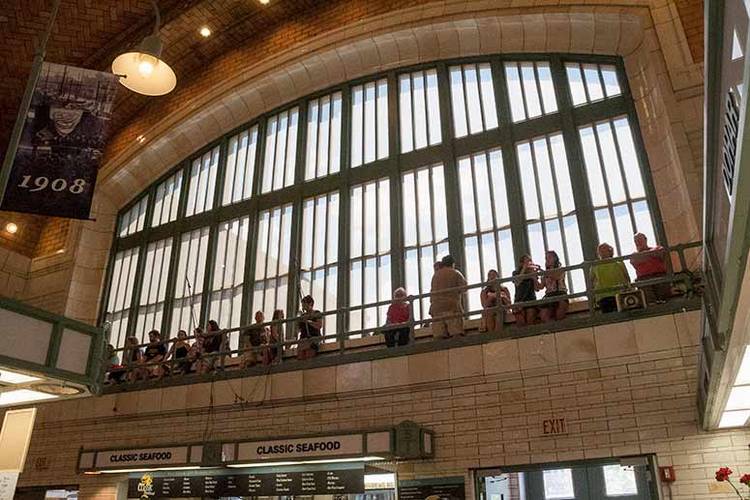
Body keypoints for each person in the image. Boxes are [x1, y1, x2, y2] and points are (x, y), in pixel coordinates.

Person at [429, 255, 467, 339]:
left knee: (439, 337)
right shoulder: (455, 273)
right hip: (451, 307)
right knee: (456, 334)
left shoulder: (435, 275)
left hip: (436, 308)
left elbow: (432, 292)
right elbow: (464, 288)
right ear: (453, 264)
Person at [630, 232, 671, 304]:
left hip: (660, 276)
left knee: (665, 300)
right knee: (650, 303)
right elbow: (634, 260)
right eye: (636, 241)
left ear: (645, 239)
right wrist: (651, 255)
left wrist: (643, 256)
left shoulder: (657, 248)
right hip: (643, 280)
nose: (638, 242)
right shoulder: (634, 255)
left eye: (639, 239)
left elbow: (660, 253)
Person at [591, 243, 631, 313]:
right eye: (600, 251)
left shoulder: (618, 262)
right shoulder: (595, 265)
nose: (602, 252)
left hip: (619, 293)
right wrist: (593, 297)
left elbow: (626, 277)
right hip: (603, 296)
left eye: (604, 250)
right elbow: (591, 281)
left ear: (610, 251)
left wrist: (628, 289)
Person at [539, 251, 569, 322]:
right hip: (549, 295)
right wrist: (533, 277)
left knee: (560, 314)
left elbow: (556, 277)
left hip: (560, 293)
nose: (547, 260)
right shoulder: (545, 273)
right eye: (546, 258)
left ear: (555, 259)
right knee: (543, 315)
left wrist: (543, 272)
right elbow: (540, 287)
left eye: (549, 257)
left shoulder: (560, 269)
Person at [512, 255, 542, 326]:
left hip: (530, 299)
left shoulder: (532, 273)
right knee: (520, 322)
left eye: (530, 261)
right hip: (519, 300)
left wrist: (534, 276)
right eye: (527, 261)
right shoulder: (516, 273)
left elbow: (537, 288)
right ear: (521, 263)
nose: (529, 263)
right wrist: (524, 269)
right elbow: (517, 282)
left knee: (530, 319)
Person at [297, 296, 323, 360]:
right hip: (303, 338)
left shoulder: (317, 313)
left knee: (309, 355)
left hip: (313, 337)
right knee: (300, 357)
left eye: (304, 304)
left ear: (310, 304)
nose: (303, 306)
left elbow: (319, 326)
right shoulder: (303, 315)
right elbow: (298, 329)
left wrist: (308, 321)